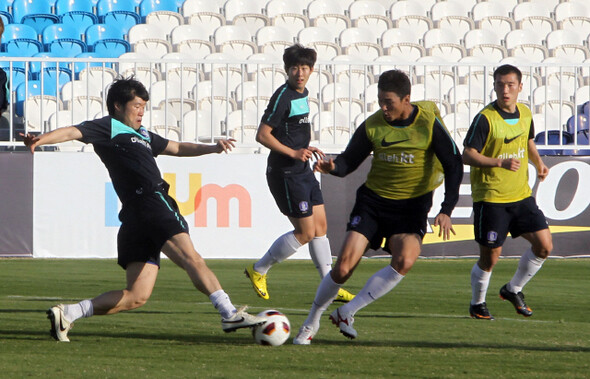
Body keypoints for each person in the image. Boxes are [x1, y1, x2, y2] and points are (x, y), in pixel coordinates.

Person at [22, 77, 266, 342]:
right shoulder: (109, 127)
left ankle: (68, 313)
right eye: (137, 106)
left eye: (144, 107)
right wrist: (40, 140)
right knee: (191, 258)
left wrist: (212, 148)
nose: (141, 112)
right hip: (151, 203)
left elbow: (178, 147)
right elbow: (72, 132)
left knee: (136, 296)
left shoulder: (145, 134)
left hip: (136, 216)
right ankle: (229, 312)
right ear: (117, 106)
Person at [293, 69, 464, 344]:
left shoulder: (428, 123)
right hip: (373, 202)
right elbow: (349, 161)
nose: (384, 108)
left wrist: (447, 209)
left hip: (411, 207)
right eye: (380, 101)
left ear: (407, 99)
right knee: (344, 267)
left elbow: (454, 164)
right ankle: (311, 322)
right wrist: (332, 167)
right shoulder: (373, 125)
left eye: (389, 102)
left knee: (405, 259)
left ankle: (347, 311)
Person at [244, 44, 355, 303]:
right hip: (285, 173)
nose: (300, 72)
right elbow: (262, 135)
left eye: (304, 68)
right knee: (305, 232)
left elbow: (292, 130)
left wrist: (304, 148)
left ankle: (331, 286)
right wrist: (293, 153)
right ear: (287, 70)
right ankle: (259, 269)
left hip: (302, 169)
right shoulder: (283, 96)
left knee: (321, 228)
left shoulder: (303, 93)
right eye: (295, 68)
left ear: (312, 70)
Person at [463, 64, 552, 320]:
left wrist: (538, 163)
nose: (505, 90)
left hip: (521, 196)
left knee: (544, 246)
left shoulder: (525, 113)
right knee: (490, 259)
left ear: (520, 87)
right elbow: (468, 155)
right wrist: (498, 162)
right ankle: (477, 303)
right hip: (491, 199)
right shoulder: (485, 119)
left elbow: (527, 141)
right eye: (500, 84)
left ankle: (512, 289)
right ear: (494, 86)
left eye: (511, 85)